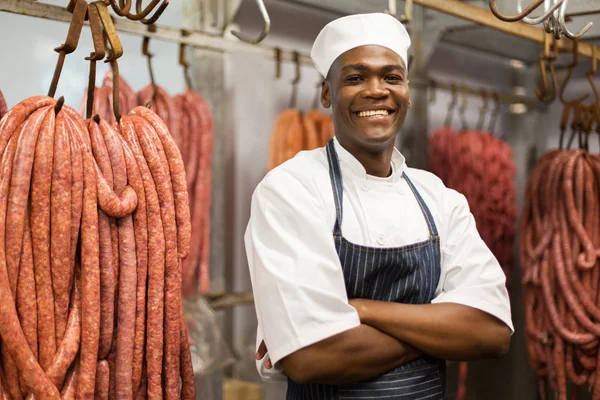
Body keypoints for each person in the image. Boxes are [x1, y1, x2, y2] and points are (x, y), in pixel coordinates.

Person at [244, 12, 513, 399]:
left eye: (391, 77)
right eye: (356, 78)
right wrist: (441, 334)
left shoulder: (439, 198)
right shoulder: (291, 190)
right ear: (326, 93)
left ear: (406, 90)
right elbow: (312, 356)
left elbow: (491, 333)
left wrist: (363, 310)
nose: (377, 90)